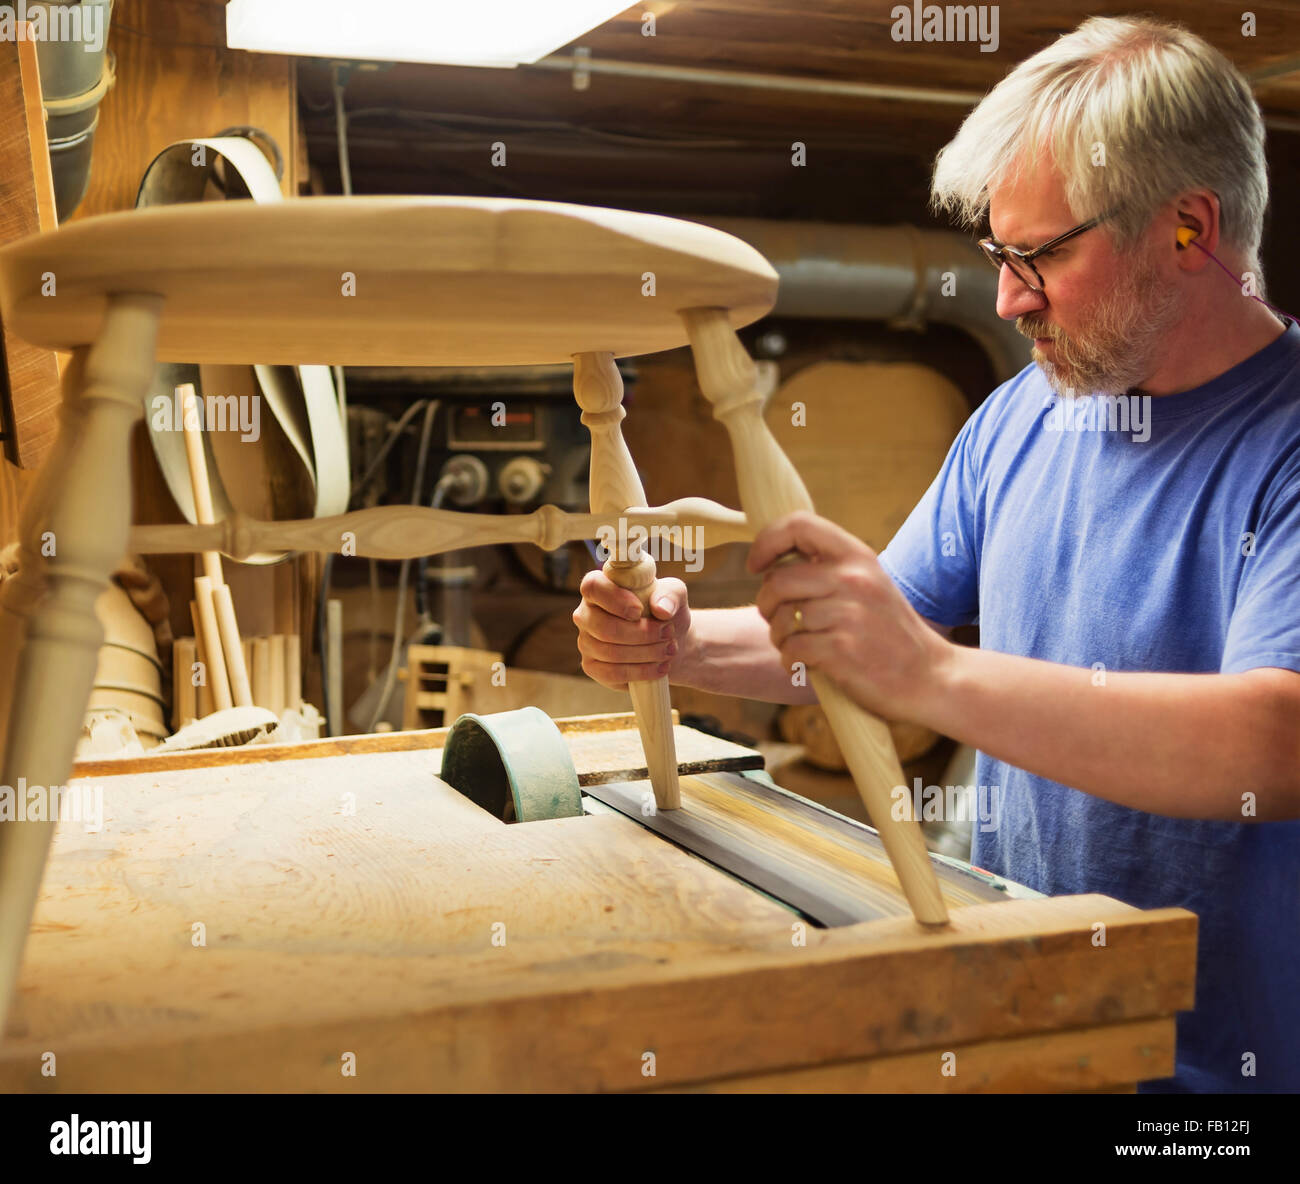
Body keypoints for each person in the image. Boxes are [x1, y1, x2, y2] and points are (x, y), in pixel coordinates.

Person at [572, 16, 1300, 1093]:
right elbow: (869, 635)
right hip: (1030, 1026)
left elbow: (1271, 744)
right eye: (997, 257)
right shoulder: (1022, 417)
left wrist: (930, 673)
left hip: (1215, 1083)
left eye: (1041, 254)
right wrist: (679, 642)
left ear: (1188, 229)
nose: (1008, 298)